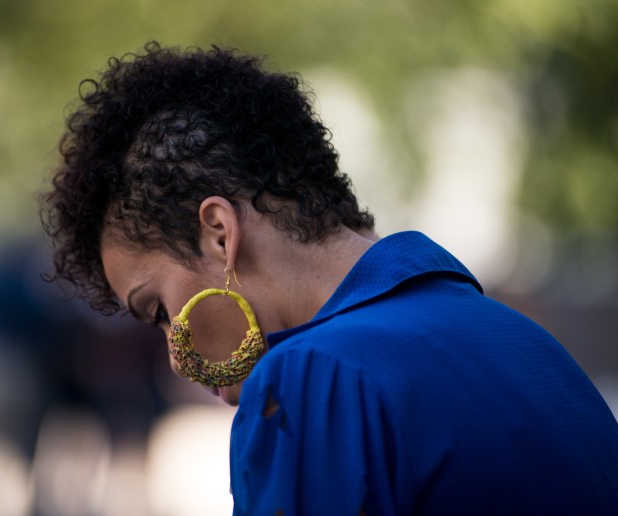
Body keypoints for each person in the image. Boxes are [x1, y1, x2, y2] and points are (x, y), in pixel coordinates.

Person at [41, 42, 618, 515]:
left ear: (220, 234)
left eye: (159, 309)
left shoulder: (309, 379)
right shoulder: (528, 345)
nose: (173, 355)